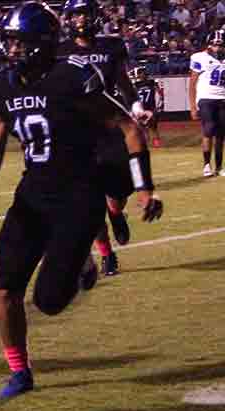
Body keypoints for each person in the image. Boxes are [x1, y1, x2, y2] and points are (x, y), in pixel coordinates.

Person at [0, 2, 163, 399]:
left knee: (50, 301)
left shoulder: (72, 78)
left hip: (79, 193)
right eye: (9, 42)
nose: (12, 50)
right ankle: (20, 371)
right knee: (6, 284)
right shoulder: (2, 86)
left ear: (41, 42)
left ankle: (82, 263)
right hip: (33, 194)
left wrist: (144, 188)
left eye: (19, 43)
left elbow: (128, 129)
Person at [58, 0, 143, 278]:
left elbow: (123, 82)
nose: (80, 19)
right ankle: (106, 254)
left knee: (116, 197)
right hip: (79, 133)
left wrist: (136, 106)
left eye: (84, 12)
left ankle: (116, 213)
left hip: (109, 129)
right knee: (88, 200)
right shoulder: (59, 52)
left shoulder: (110, 46)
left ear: (94, 15)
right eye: (75, 14)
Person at [190, 30, 225, 178]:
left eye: (221, 45)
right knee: (209, 130)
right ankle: (206, 165)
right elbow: (192, 83)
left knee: (221, 134)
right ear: (209, 45)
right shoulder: (199, 57)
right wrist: (192, 106)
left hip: (223, 98)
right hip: (206, 98)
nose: (219, 48)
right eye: (216, 45)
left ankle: (219, 167)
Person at [131, 66, 163, 148]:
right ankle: (146, 143)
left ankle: (156, 142)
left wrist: (160, 103)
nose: (141, 75)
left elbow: (160, 92)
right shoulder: (136, 84)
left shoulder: (152, 82)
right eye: (139, 73)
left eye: (141, 73)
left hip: (151, 106)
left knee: (153, 126)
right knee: (142, 126)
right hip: (141, 107)